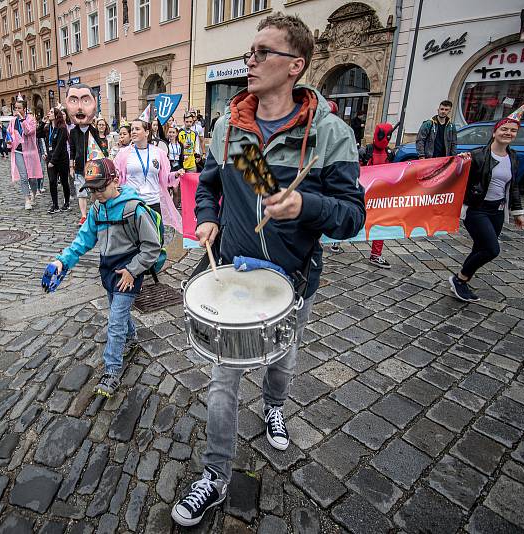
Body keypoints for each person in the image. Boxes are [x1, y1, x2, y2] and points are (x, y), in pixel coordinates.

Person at [171, 12, 365, 527]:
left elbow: (352, 215)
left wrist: (305, 206)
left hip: (291, 280)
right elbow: (211, 186)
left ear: (294, 65)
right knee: (223, 378)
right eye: (249, 53)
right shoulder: (232, 126)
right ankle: (215, 474)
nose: (249, 61)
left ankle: (275, 406)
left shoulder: (329, 134)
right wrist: (207, 220)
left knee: (282, 356)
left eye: (261, 53)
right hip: (234, 279)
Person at [48, 158, 160, 396]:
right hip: (108, 270)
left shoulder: (134, 209)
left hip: (129, 272)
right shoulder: (97, 209)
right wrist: (62, 261)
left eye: (100, 187)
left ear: (115, 181)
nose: (96, 194)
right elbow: (83, 239)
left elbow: (152, 247)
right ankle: (131, 338)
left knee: (115, 320)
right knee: (118, 313)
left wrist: (133, 270)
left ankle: (111, 372)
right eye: (91, 190)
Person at [449, 110, 524, 302]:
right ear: (494, 132)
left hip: (497, 211)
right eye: (504, 129)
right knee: (492, 249)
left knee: (480, 247)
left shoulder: (513, 157)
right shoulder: (477, 155)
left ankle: (462, 282)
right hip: (477, 209)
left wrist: (518, 212)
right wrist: (461, 161)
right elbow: (454, 175)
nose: (508, 133)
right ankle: (460, 279)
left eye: (513, 131)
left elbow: (514, 185)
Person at [113, 119, 183, 233]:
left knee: (155, 239)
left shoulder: (159, 153)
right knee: (134, 240)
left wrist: (176, 175)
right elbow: (116, 176)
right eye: (132, 129)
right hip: (133, 203)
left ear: (146, 132)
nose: (133, 132)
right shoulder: (123, 154)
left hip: (153, 203)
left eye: (137, 129)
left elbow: (165, 179)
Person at [67, 84, 108, 226]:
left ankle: (96, 213)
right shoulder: (73, 132)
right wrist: (71, 166)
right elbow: (71, 149)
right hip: (78, 166)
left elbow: (99, 149)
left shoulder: (94, 130)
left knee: (93, 191)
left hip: (92, 166)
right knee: (81, 192)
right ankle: (83, 216)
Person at [358, 122, 396, 268]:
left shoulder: (390, 154)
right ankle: (335, 241)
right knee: (350, 217)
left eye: (388, 135)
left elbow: (395, 173)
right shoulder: (364, 151)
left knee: (381, 223)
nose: (385, 138)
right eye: (383, 135)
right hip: (363, 193)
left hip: (380, 195)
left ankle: (376, 254)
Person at [8, 100, 43, 210]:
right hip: (18, 151)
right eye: (15, 108)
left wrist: (22, 119)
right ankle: (27, 199)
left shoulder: (30, 119)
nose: (17, 110)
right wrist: (8, 140)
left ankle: (33, 193)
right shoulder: (13, 121)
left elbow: (28, 132)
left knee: (32, 178)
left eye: (19, 108)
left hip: (30, 151)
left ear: (24, 109)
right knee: (23, 177)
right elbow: (9, 133)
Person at [37, 106, 71, 213]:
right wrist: (42, 123)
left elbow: (60, 146)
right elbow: (38, 134)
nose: (49, 113)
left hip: (61, 159)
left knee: (64, 181)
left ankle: (66, 203)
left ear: (56, 115)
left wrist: (53, 161)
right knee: (52, 182)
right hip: (50, 158)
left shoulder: (62, 128)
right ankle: (55, 205)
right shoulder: (48, 129)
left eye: (51, 112)